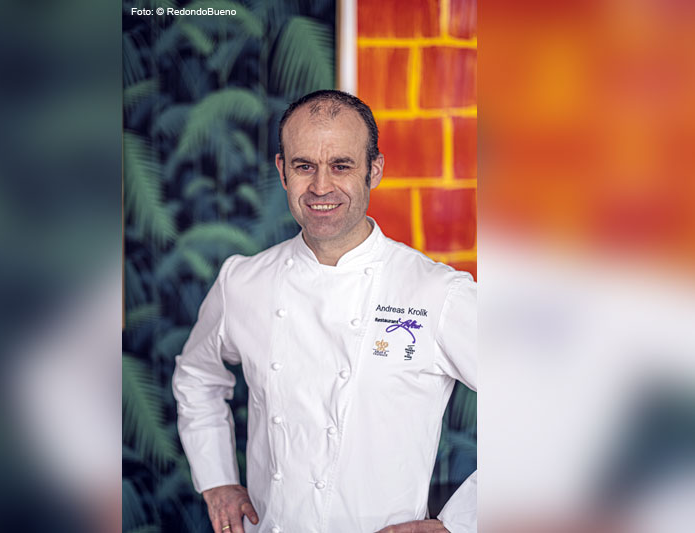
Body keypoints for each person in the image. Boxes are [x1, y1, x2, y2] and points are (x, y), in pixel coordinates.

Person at [172, 90, 477, 533]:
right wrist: (216, 477)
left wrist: (461, 524)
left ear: (374, 170)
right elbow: (196, 376)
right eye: (304, 166)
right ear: (282, 171)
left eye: (341, 165)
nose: (320, 187)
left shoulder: (436, 292)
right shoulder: (243, 282)